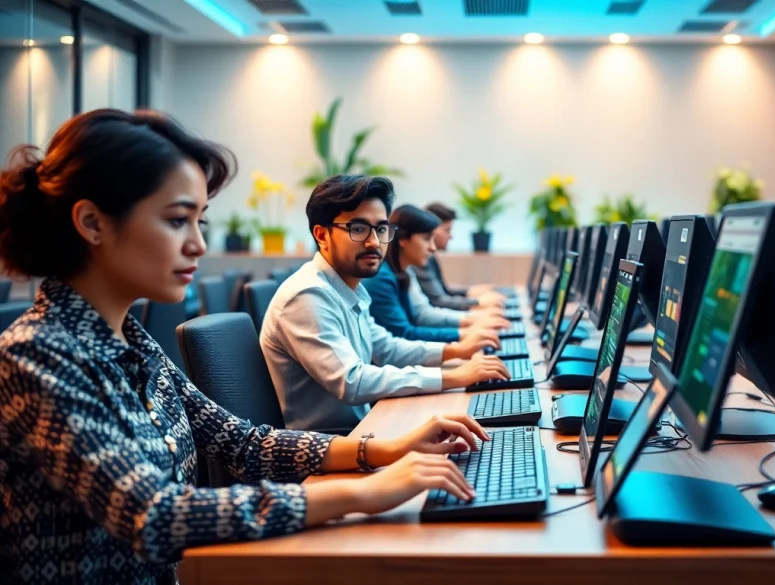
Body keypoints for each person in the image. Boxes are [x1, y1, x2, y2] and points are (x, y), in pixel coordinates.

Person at [0, 109, 488, 585]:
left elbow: (242, 443)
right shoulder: (37, 354)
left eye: (200, 223)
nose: (197, 245)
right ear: (91, 223)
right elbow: (155, 514)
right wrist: (360, 494)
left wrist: (386, 449)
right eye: (176, 221)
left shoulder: (132, 340)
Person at [260, 175, 511, 433]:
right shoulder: (308, 295)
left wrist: (458, 352)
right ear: (322, 235)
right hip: (331, 447)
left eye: (381, 229)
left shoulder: (348, 287)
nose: (374, 242)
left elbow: (386, 348)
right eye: (358, 229)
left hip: (365, 427)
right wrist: (453, 376)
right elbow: (353, 381)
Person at [363, 204, 509, 343]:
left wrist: (473, 322)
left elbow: (421, 314)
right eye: (427, 239)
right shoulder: (382, 277)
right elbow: (405, 333)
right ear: (403, 239)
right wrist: (466, 331)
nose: (432, 248)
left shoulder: (404, 270)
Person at [413, 202, 506, 309]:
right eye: (447, 230)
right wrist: (477, 302)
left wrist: (471, 291)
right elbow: (438, 301)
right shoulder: (419, 260)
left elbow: (444, 291)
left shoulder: (430, 257)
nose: (451, 236)